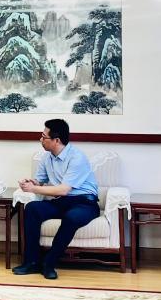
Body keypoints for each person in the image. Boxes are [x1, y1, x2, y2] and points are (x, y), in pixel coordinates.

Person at [13, 118, 99, 280]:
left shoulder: (77, 158)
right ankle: (32, 262)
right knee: (32, 208)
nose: (40, 139)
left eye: (44, 137)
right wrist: (30, 183)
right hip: (62, 201)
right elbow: (40, 181)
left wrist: (33, 188)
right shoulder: (46, 157)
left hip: (85, 203)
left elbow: (64, 189)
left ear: (56, 140)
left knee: (72, 217)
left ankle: (49, 263)